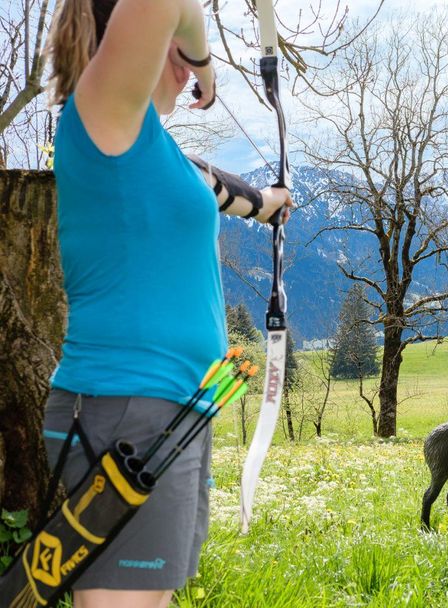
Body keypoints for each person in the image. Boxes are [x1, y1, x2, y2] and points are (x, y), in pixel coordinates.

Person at [42, 0, 293, 606]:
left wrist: (267, 202)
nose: (183, 65)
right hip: (124, 407)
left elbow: (214, 190)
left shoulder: (149, 149)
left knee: (153, 597)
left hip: (171, 410)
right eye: (173, 49)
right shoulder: (101, 108)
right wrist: (205, 64)